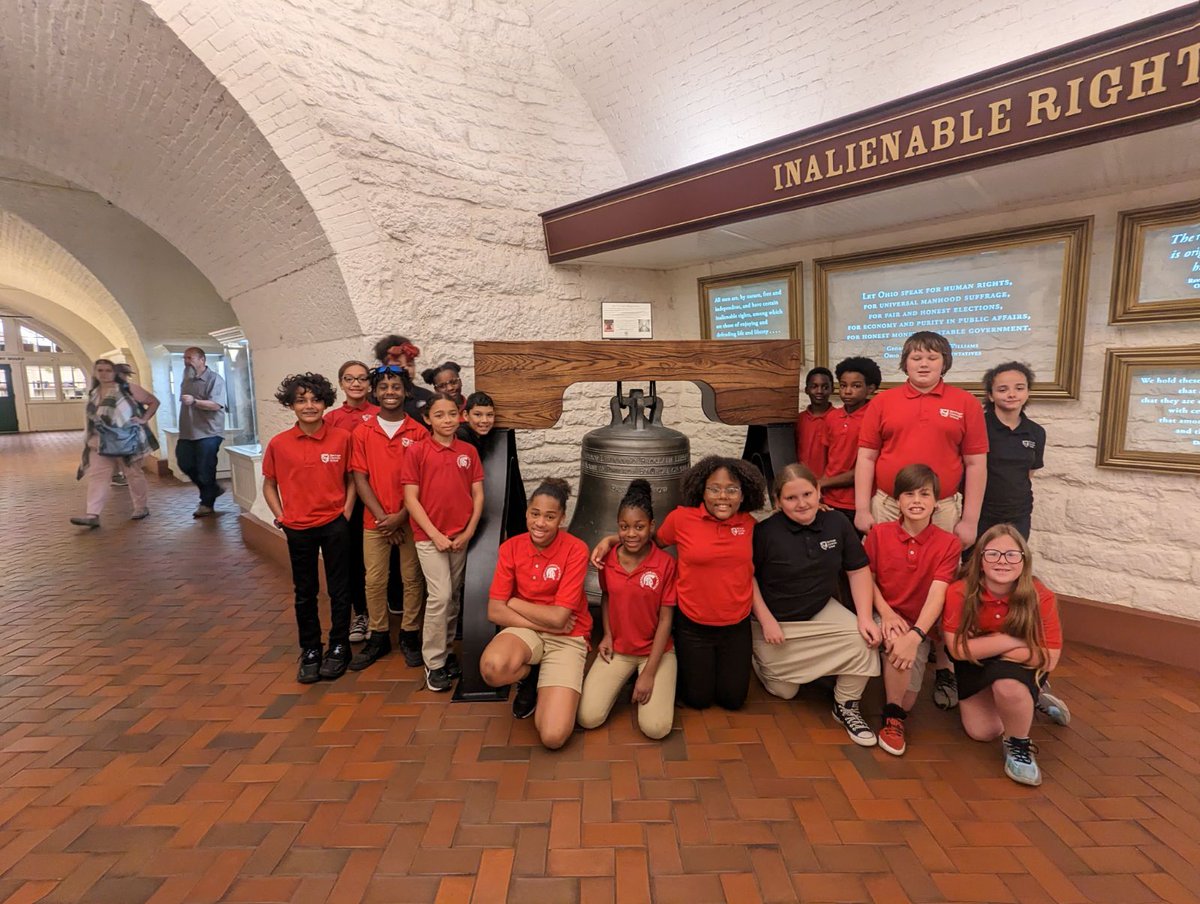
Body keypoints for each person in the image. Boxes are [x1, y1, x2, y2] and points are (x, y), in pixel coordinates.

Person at [592, 456, 767, 712]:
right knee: (698, 700)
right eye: (714, 488)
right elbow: (648, 540)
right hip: (693, 625)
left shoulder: (750, 525)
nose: (722, 496)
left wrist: (817, 508)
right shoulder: (682, 519)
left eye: (732, 490)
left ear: (743, 495)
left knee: (733, 701)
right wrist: (610, 540)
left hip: (735, 625)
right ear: (701, 490)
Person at [750, 464, 882, 746]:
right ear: (777, 502)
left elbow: (857, 570)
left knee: (865, 639)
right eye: (791, 498)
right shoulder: (764, 533)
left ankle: (845, 705)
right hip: (777, 623)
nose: (802, 504)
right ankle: (760, 661)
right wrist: (766, 620)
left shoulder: (837, 523)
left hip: (819, 610)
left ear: (819, 492)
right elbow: (747, 578)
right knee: (785, 691)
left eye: (808, 494)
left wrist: (864, 617)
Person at [976, 361, 1069, 726]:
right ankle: (961, 669)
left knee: (1015, 591)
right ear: (990, 394)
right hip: (980, 517)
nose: (1010, 394)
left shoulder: (1035, 432)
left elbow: (1027, 475)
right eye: (1002, 389)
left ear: (1027, 392)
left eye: (1018, 388)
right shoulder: (979, 426)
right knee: (974, 587)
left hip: (1017, 521)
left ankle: (1030, 678)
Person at [943, 525, 1064, 786]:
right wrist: (1009, 639)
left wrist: (986, 643)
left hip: (1016, 663)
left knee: (1007, 687)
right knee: (983, 732)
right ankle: (1031, 698)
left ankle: (1018, 745)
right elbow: (957, 650)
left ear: (1024, 559)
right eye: (993, 554)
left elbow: (1048, 657)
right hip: (983, 660)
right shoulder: (960, 591)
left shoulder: (1040, 596)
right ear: (980, 559)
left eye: (1011, 555)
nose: (1002, 562)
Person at [479, 478, 591, 750]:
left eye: (550, 516)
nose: (540, 523)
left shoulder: (576, 550)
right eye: (535, 514)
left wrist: (514, 602)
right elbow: (495, 611)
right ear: (527, 512)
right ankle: (530, 676)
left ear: (562, 518)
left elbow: (560, 619)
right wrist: (544, 618)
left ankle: (547, 682)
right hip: (527, 632)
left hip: (568, 637)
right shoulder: (511, 548)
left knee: (553, 737)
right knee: (492, 669)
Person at [261, 373, 356, 683]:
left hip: (334, 525)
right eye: (301, 400)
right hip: (298, 527)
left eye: (315, 399)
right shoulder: (279, 444)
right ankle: (312, 649)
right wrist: (281, 517)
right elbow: (269, 485)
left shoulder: (342, 438)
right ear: (291, 404)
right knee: (305, 592)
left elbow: (352, 479)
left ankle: (340, 646)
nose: (309, 405)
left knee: (341, 589)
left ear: (326, 402)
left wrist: (346, 512)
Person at [854, 330, 988, 545]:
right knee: (884, 571)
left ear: (944, 363)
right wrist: (861, 509)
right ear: (905, 363)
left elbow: (976, 464)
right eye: (916, 358)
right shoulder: (882, 402)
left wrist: (970, 520)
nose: (923, 364)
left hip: (942, 509)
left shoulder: (966, 403)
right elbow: (866, 458)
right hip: (889, 507)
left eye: (932, 358)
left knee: (940, 574)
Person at [864, 463, 962, 756]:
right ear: (897, 501)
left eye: (924, 494)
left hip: (920, 623)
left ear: (936, 502)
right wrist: (888, 614)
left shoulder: (949, 543)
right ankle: (893, 717)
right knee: (895, 642)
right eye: (909, 494)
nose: (916, 501)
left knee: (908, 695)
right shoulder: (879, 534)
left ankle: (898, 699)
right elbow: (866, 578)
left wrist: (916, 634)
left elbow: (937, 595)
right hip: (887, 612)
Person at [577, 479, 678, 740]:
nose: (631, 534)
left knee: (656, 729)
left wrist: (649, 673)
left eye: (639, 527)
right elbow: (608, 597)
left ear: (651, 526)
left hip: (655, 653)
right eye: (624, 527)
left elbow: (666, 620)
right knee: (588, 718)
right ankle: (626, 678)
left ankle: (650, 681)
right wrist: (608, 635)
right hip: (619, 649)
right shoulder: (608, 560)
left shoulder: (665, 564)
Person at [402, 393, 485, 692]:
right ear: (428, 419)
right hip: (430, 538)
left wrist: (469, 530)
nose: (447, 420)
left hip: (459, 537)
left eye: (452, 414)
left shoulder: (468, 452)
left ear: (460, 416)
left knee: (453, 598)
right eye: (440, 415)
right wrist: (435, 534)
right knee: (440, 596)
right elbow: (410, 499)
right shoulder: (417, 452)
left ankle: (447, 651)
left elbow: (478, 495)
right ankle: (433, 662)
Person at [349, 365, 429, 671]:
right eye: (383, 387)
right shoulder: (363, 431)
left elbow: (424, 481)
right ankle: (379, 635)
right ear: (374, 393)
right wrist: (385, 519)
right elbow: (360, 478)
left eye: (395, 386)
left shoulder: (419, 431)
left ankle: (410, 634)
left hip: (410, 519)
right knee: (375, 580)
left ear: (406, 391)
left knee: (412, 579)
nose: (389, 392)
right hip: (376, 521)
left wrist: (401, 517)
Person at [324, 360, 378, 644]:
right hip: (347, 501)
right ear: (341, 383)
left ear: (369, 383)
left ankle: (385, 610)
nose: (356, 383)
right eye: (349, 378)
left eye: (361, 378)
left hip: (379, 499)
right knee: (354, 558)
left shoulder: (382, 414)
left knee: (382, 561)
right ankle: (362, 612)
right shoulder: (331, 419)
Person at [71, 359, 160, 527]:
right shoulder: (94, 393)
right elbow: (92, 419)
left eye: (107, 370)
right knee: (98, 476)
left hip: (126, 440)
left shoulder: (128, 389)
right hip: (99, 442)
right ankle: (92, 514)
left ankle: (141, 507)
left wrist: (143, 419)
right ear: (95, 373)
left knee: (133, 474)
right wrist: (89, 438)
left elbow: (154, 402)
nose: (104, 374)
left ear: (114, 372)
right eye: (100, 370)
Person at [819, 357, 881, 526]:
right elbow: (827, 461)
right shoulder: (832, 417)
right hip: (830, 500)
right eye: (843, 385)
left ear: (870, 388)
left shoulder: (874, 417)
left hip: (860, 502)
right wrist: (819, 492)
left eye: (856, 386)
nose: (847, 391)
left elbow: (867, 468)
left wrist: (821, 483)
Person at [176, 347, 228, 518]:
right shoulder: (186, 379)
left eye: (189, 357)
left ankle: (206, 503)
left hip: (209, 432)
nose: (186, 361)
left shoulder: (215, 379)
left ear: (202, 360)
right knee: (185, 463)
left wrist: (194, 401)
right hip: (187, 432)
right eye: (184, 357)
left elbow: (216, 405)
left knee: (206, 468)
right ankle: (212, 489)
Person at [372, 334, 433, 423]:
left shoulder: (426, 397)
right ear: (384, 367)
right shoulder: (372, 398)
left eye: (410, 365)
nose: (406, 369)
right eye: (397, 365)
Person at [795, 366, 834, 477]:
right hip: (801, 482)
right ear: (807, 390)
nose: (819, 391)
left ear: (832, 389)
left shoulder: (838, 418)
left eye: (825, 387)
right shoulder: (798, 420)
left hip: (829, 484)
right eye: (814, 386)